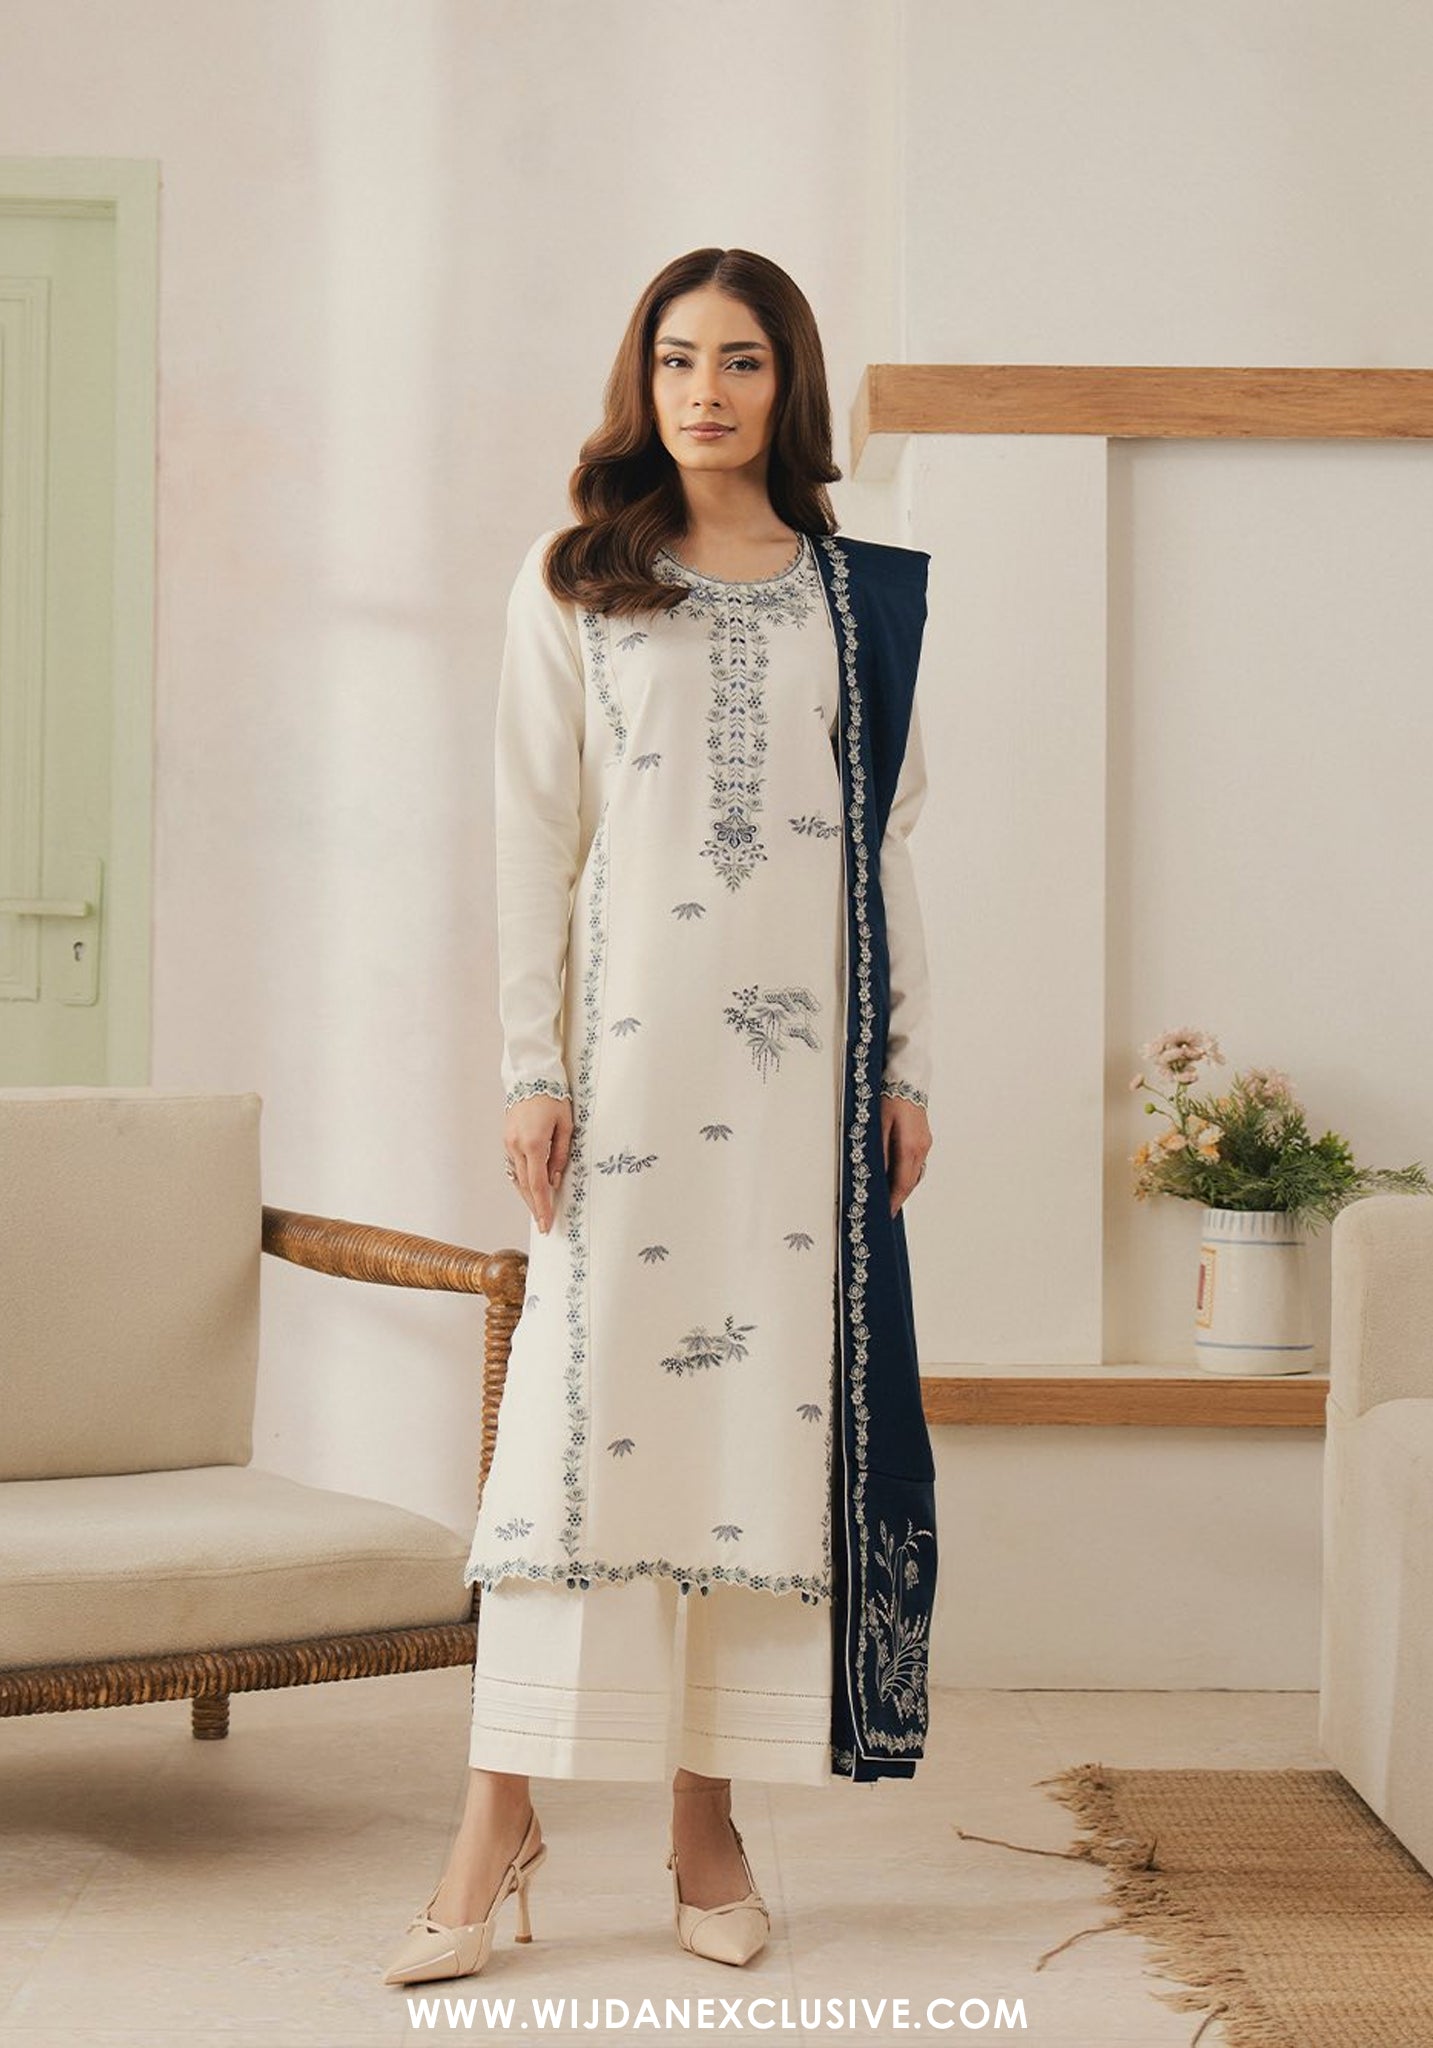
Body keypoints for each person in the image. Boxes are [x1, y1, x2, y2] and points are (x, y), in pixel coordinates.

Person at [384, 247, 937, 1988]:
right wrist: (529, 1066)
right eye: (679, 358)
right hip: (626, 1079)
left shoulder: (860, 595)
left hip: (798, 1095)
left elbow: (887, 847)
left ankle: (710, 1828)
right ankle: (495, 1820)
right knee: (576, 1430)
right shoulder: (576, 579)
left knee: (754, 1437)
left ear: (789, 385)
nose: (707, 390)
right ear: (644, 378)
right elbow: (530, 831)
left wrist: (905, 1063)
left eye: (743, 360)